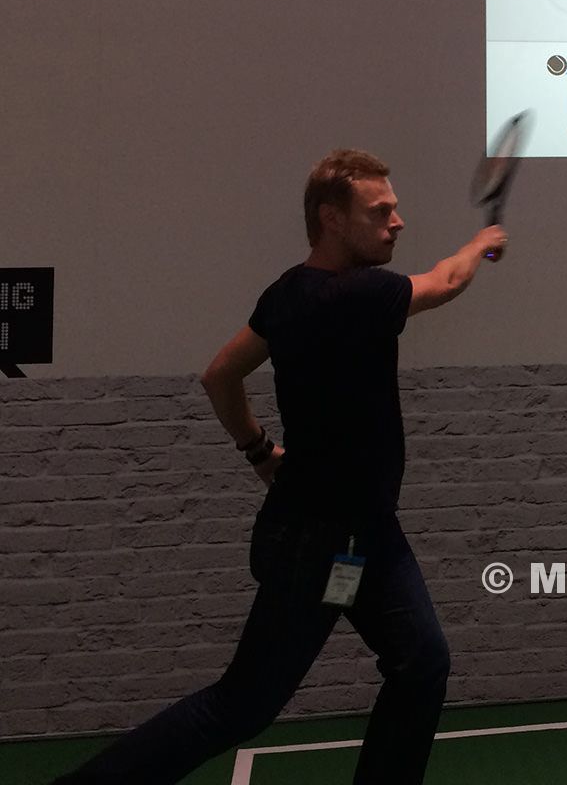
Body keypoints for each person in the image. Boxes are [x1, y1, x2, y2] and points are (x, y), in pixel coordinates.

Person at [53, 149, 506, 785]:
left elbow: (221, 374)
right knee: (241, 705)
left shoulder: (287, 293)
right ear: (331, 218)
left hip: (365, 539)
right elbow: (448, 280)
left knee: (421, 662)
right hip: (316, 545)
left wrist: (259, 451)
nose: (397, 221)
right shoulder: (361, 294)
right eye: (380, 211)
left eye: (395, 208)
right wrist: (482, 242)